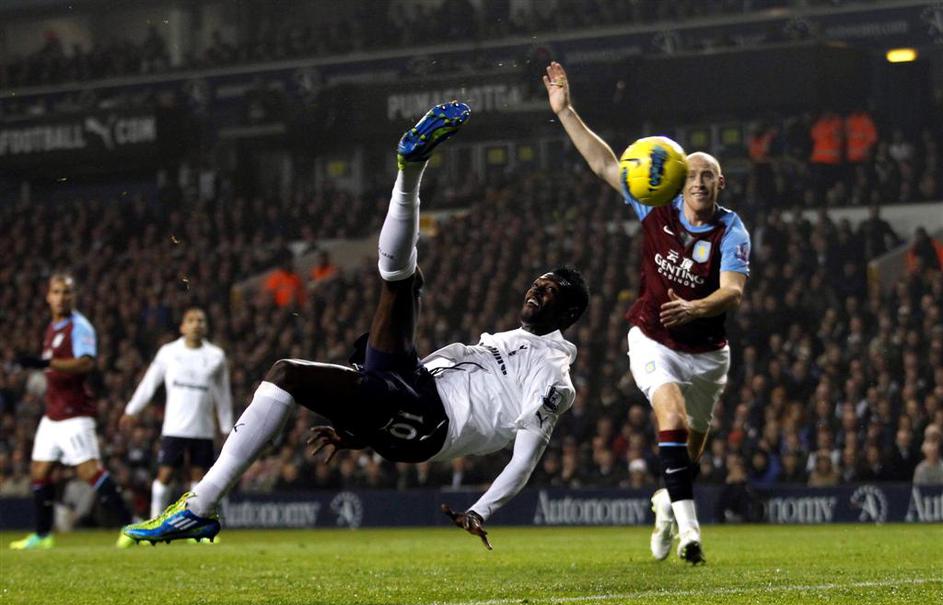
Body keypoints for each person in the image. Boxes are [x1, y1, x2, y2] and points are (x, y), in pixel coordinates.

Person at [123, 102, 589, 549]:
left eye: (550, 292)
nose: (536, 290)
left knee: (288, 372)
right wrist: (363, 431)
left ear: (568, 314)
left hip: (431, 422)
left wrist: (482, 509)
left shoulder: (553, 375)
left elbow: (526, 456)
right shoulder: (513, 340)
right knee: (402, 279)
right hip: (413, 385)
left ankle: (201, 505)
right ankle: (410, 168)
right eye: (537, 283)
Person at [544, 62, 750, 564]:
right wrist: (565, 110)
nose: (698, 182)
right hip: (653, 337)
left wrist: (696, 307)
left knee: (690, 452)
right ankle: (691, 533)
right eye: (692, 175)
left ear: (720, 183)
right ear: (679, 182)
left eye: (707, 175)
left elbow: (733, 292)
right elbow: (604, 164)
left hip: (708, 353)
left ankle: (665, 504)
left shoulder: (732, 230)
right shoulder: (654, 206)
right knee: (672, 416)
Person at [10, 274, 132, 549]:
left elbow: (85, 364)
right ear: (48, 296)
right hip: (52, 413)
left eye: (67, 292)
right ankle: (43, 535)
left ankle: (131, 526)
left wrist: (46, 362)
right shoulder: (52, 327)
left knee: (89, 471)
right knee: (40, 470)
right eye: (57, 292)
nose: (61, 297)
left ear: (73, 296)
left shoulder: (80, 327)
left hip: (74, 412)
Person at [120, 307, 233, 520]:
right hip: (175, 427)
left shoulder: (216, 356)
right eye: (191, 320)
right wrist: (131, 410)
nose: (196, 324)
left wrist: (227, 427)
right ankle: (154, 520)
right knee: (165, 475)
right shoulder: (168, 352)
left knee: (199, 478)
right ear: (183, 327)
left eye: (201, 320)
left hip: (203, 429)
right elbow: (149, 382)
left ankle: (195, 523)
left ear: (205, 327)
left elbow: (223, 394)